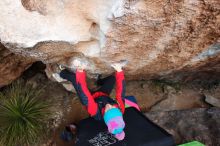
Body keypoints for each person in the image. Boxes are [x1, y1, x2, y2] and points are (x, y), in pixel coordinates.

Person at [53, 59, 140, 141]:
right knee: (112, 79)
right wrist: (119, 71)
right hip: (103, 95)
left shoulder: (95, 112)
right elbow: (121, 90)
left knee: (75, 79)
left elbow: (84, 93)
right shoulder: (120, 107)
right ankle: (99, 81)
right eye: (113, 108)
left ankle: (61, 72)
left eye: (107, 110)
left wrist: (80, 71)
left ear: (105, 116)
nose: (109, 106)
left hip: (91, 98)